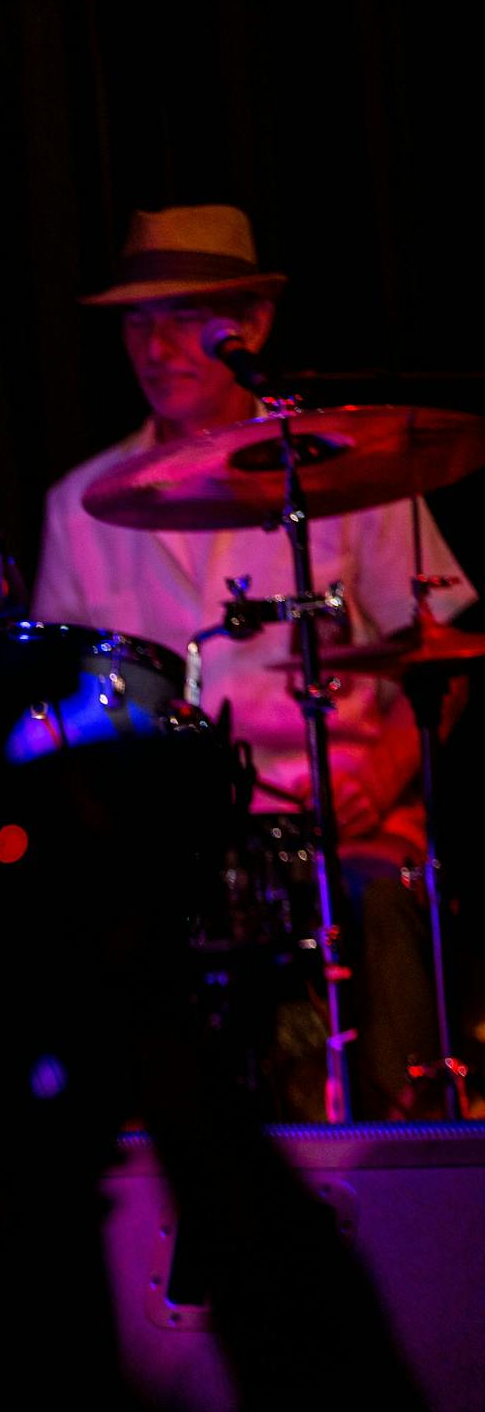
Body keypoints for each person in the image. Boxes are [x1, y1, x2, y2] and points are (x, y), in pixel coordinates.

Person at [33, 204, 473, 1117]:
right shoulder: (81, 505)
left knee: (382, 898)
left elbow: (450, 647)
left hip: (349, 827)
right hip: (176, 848)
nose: (156, 347)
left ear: (255, 324)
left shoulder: (355, 474)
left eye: (185, 317)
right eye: (137, 321)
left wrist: (384, 773)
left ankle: (407, 1159)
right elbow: (60, 710)